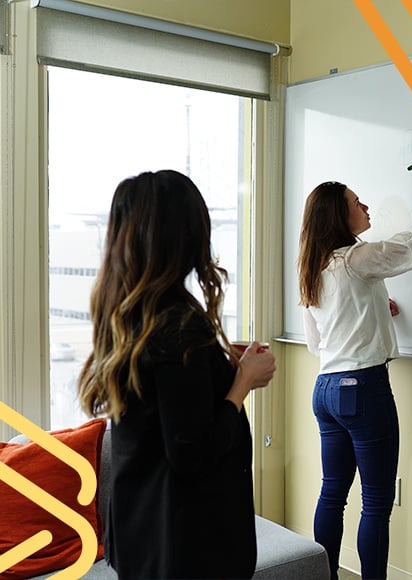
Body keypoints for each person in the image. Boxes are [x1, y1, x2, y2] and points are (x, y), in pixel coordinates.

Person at [78, 170, 276, 579]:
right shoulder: (177, 324)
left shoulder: (130, 316)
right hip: (188, 547)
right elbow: (193, 452)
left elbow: (166, 413)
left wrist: (219, 370)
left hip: (142, 534)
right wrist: (242, 384)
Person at [298, 152, 412, 579]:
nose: (365, 208)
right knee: (376, 501)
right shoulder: (358, 258)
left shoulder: (315, 266)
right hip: (362, 387)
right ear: (339, 218)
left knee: (332, 493)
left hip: (325, 390)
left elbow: (315, 341)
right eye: (357, 204)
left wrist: (377, 307)